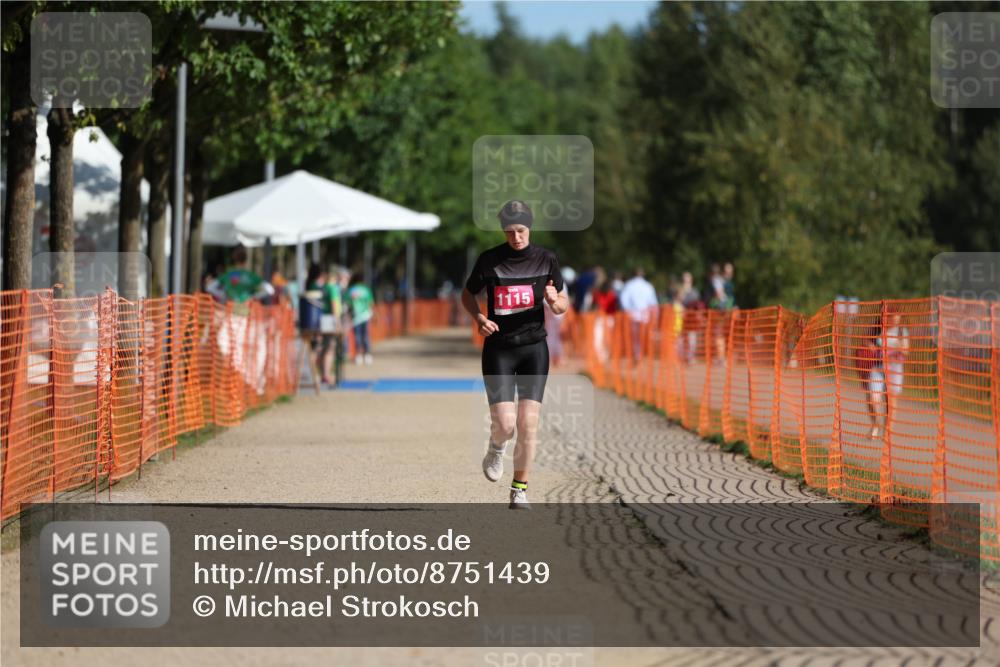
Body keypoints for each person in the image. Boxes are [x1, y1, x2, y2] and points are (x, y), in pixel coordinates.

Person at [461, 200, 568, 510]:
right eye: (509, 232)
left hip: (534, 348)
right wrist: (479, 318)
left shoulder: (546, 259)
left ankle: (519, 490)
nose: (516, 237)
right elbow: (467, 294)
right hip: (499, 348)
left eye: (520, 231)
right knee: (506, 424)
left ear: (529, 228)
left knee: (528, 423)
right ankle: (496, 446)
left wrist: (553, 300)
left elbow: (561, 306)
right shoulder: (489, 260)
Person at [859, 312, 910, 439]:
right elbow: (865, 340)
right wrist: (871, 346)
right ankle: (876, 424)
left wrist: (896, 347)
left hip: (894, 368)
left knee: (890, 401)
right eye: (893, 318)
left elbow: (906, 350)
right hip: (878, 366)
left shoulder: (901, 331)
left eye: (897, 319)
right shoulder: (878, 328)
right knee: (872, 397)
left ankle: (888, 431)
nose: (895, 321)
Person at [618, 267, 659, 364]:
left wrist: (627, 310)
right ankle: (641, 354)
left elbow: (623, 299)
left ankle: (637, 354)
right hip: (645, 315)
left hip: (633, 315)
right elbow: (653, 302)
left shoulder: (629, 285)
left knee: (634, 336)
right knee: (643, 335)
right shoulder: (648, 286)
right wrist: (655, 315)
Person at [206, 247, 273, 305]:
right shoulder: (251, 276)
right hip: (245, 308)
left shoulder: (228, 274)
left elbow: (209, 287)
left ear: (234, 259)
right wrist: (254, 297)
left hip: (229, 307)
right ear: (245, 260)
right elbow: (270, 290)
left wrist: (223, 296)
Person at [347, 274, 375, 365]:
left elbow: (347, 303)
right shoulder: (366, 290)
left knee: (357, 336)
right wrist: (374, 314)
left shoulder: (351, 290)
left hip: (355, 317)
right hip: (365, 316)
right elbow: (371, 302)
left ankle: (358, 356)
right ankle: (367, 355)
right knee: (366, 335)